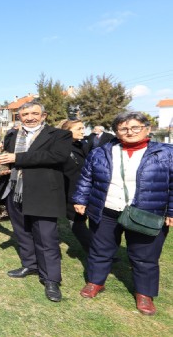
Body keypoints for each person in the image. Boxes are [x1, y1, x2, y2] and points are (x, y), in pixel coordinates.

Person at [73, 111, 173, 315]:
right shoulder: (101, 152)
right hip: (107, 209)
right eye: (123, 128)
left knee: (144, 256)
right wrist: (81, 199)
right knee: (100, 249)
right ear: (117, 132)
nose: (129, 132)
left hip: (148, 211)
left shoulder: (166, 153)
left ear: (147, 129)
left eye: (135, 127)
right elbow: (86, 177)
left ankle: (144, 294)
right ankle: (95, 282)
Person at [0, 101, 71, 302]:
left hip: (43, 194)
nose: (30, 117)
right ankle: (30, 264)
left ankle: (51, 279)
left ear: (44, 115)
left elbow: (56, 156)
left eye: (34, 113)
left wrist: (17, 158)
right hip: (15, 190)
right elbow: (8, 159)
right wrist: (0, 158)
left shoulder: (59, 135)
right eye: (25, 114)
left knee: (46, 238)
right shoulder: (13, 134)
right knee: (22, 232)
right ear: (20, 116)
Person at [57, 120, 92, 253]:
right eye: (79, 128)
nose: (83, 131)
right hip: (69, 190)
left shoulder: (80, 145)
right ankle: (93, 251)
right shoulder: (60, 148)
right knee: (77, 222)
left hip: (84, 189)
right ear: (67, 131)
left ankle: (98, 251)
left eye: (83, 128)